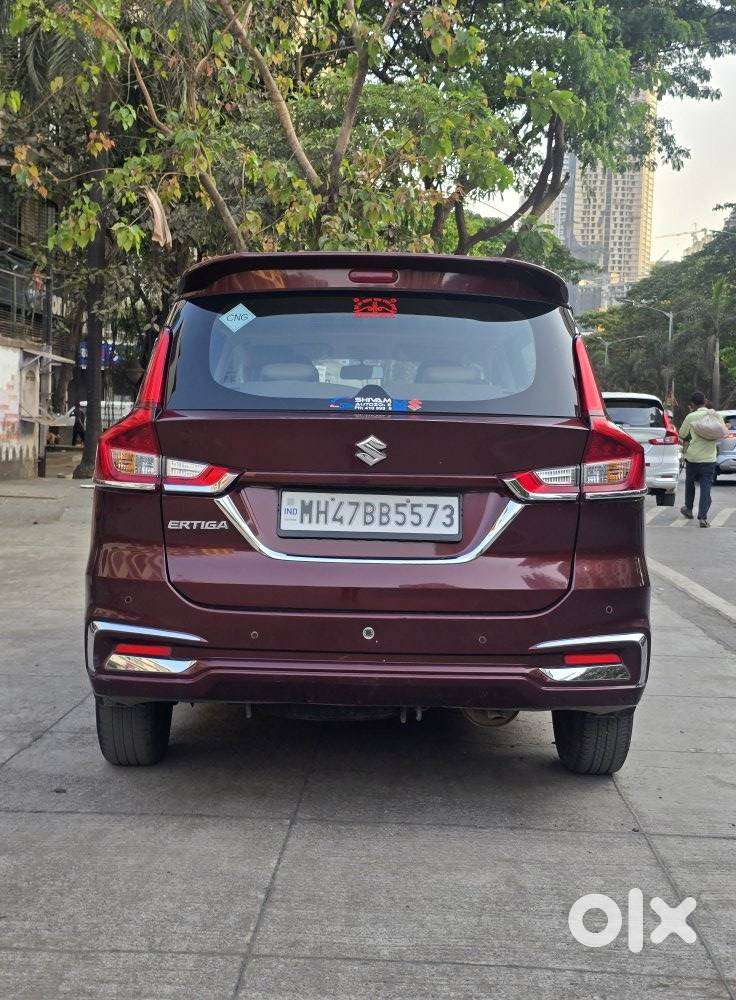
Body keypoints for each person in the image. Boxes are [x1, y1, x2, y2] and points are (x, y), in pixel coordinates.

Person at [679, 390, 720, 527]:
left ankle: (688, 509)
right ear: (705, 402)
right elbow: (721, 433)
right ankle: (702, 518)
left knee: (690, 483)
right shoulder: (714, 415)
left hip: (693, 458)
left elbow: (682, 434)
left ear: (692, 404)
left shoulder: (691, 417)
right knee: (705, 487)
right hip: (709, 458)